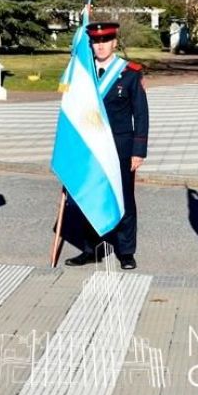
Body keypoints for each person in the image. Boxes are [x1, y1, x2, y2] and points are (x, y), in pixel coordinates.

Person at [65, 21, 149, 270]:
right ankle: (91, 248)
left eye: (106, 41)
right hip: (90, 149)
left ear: (114, 42)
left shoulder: (130, 72)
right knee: (90, 197)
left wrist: (138, 151)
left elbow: (141, 114)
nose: (100, 46)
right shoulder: (83, 72)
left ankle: (126, 251)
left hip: (120, 148)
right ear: (91, 44)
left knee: (123, 199)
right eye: (96, 42)